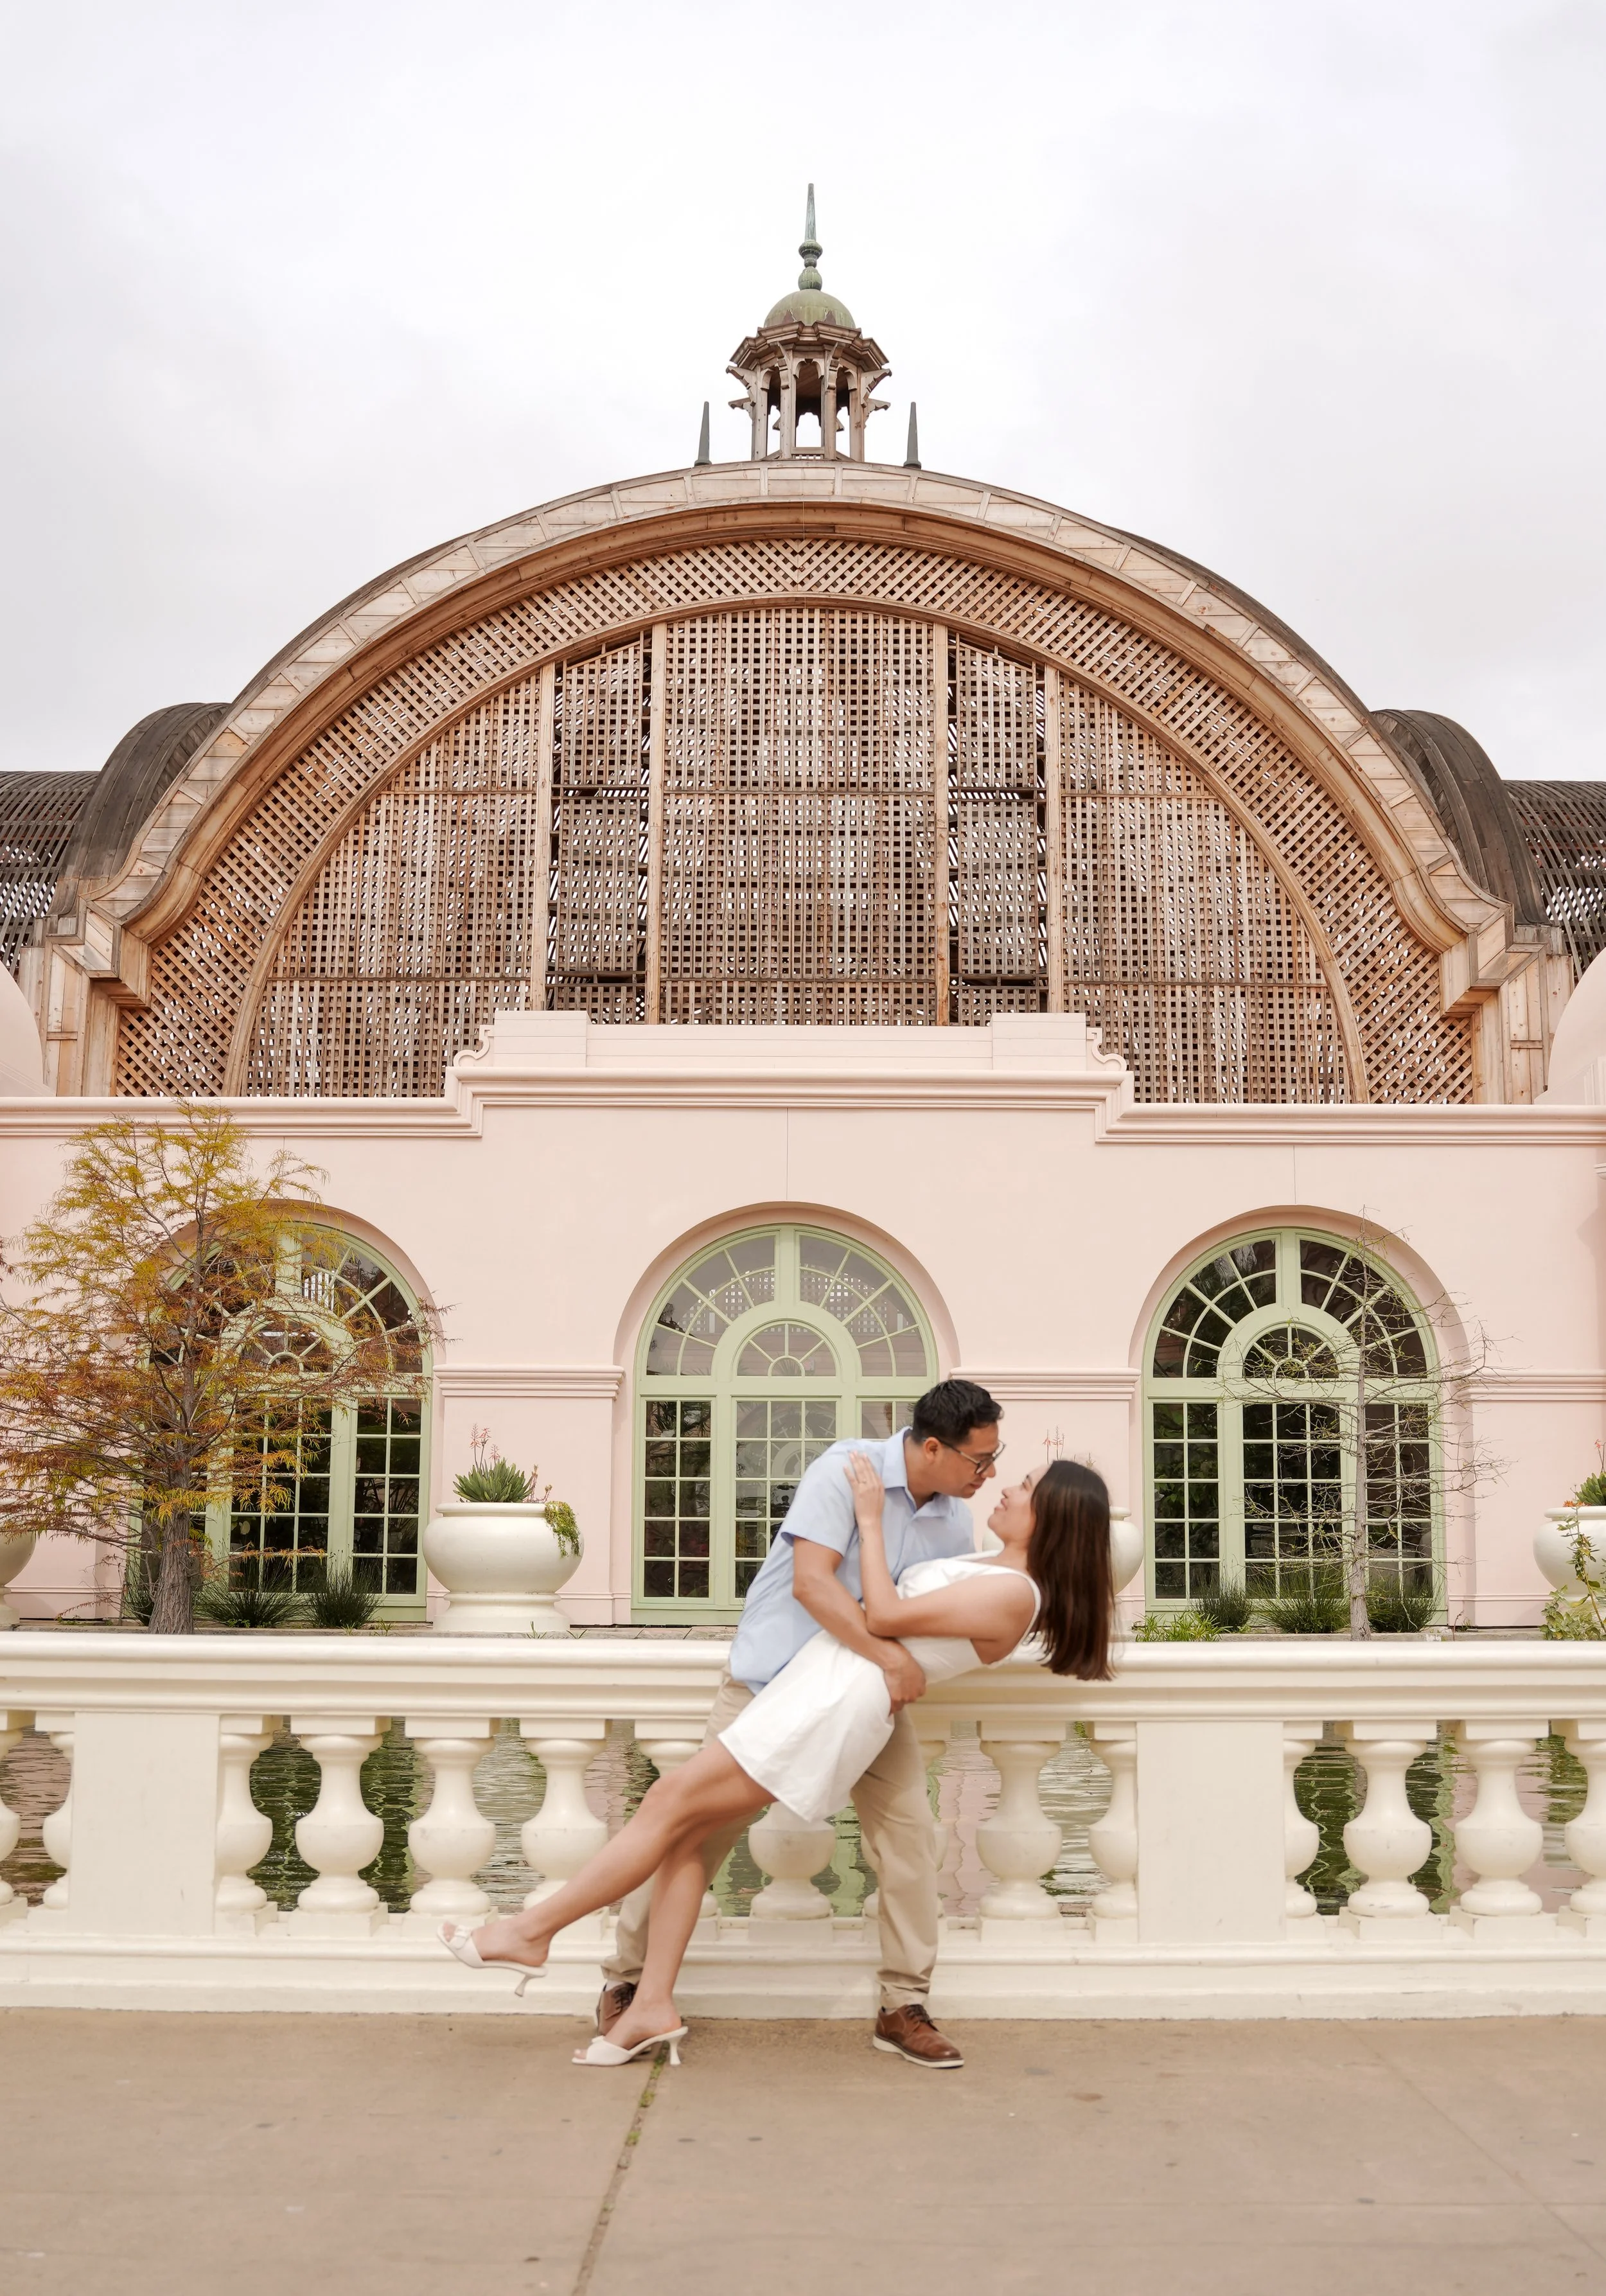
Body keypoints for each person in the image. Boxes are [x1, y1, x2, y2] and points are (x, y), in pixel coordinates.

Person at [443, 1406, 1116, 2069]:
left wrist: (874, 1539)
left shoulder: (979, 1552)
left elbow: (894, 1615)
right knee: (680, 1825)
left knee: (690, 1810)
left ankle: (535, 1934)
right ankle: (638, 1992)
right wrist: (888, 1639)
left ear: (1052, 1518)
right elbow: (816, 1588)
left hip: (836, 1703)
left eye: (1016, 1478)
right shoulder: (855, 1477)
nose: (995, 1476)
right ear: (935, 1447)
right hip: (791, 1683)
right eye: (983, 1460)